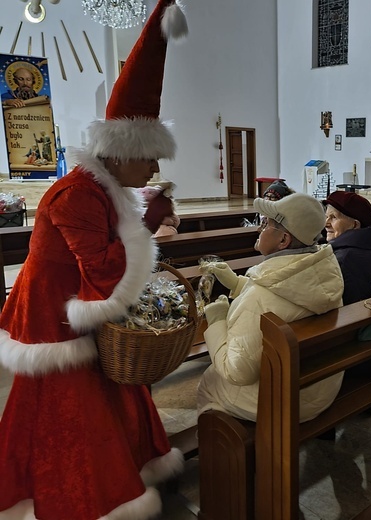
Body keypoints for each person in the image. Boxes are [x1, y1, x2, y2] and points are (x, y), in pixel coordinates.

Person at [0, 1, 189, 518]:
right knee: (67, 409)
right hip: (51, 315)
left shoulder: (103, 189)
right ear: (122, 151)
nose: (152, 167)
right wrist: (149, 224)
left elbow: (110, 257)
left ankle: (129, 465)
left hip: (75, 303)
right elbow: (106, 269)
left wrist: (144, 216)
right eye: (149, 156)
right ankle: (84, 495)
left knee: (108, 393)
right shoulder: (77, 194)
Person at [197, 193, 345, 423]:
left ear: (283, 240)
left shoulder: (258, 299)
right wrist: (238, 283)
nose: (259, 229)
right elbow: (286, 299)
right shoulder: (321, 274)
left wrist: (216, 321)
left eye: (265, 223)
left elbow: (237, 372)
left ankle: (220, 453)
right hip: (318, 390)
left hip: (282, 401)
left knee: (210, 380)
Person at [323, 191, 371, 305]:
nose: (326, 223)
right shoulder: (368, 246)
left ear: (355, 225)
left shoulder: (342, 258)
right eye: (326, 216)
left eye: (334, 217)